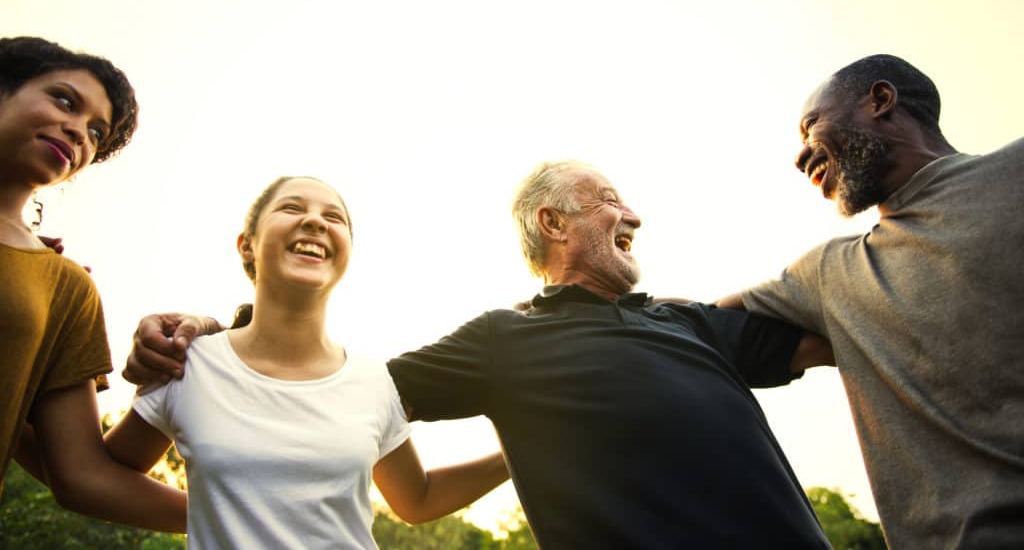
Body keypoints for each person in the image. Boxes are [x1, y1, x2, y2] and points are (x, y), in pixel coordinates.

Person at [126, 161, 833, 548]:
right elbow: (328, 393)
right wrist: (212, 331)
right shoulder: (506, 340)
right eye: (610, 200)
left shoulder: (692, 322)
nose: (634, 215)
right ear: (553, 223)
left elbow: (839, 336)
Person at [717, 54, 1024, 548]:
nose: (800, 158)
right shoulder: (830, 275)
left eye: (810, 127)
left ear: (880, 100)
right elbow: (693, 325)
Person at [105, 176, 509, 549]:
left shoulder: (373, 380)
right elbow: (96, 476)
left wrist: (518, 450)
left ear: (346, 251)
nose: (316, 221)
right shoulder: (187, 363)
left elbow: (416, 500)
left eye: (333, 216)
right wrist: (215, 512)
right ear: (247, 244)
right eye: (292, 208)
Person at [0, 36, 186, 531]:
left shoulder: (64, 286)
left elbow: (81, 475)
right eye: (64, 100)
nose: (79, 131)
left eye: (96, 132)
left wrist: (257, 516)